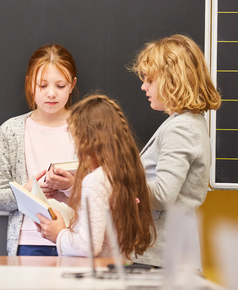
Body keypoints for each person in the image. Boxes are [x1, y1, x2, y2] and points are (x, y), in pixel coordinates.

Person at [129, 34, 221, 268]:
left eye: (150, 80)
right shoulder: (187, 122)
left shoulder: (180, 128)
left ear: (173, 80)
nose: (143, 86)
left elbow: (162, 194)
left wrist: (119, 183)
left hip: (163, 258)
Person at [37, 94, 156, 259]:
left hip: (94, 276)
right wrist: (64, 196)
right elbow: (99, 215)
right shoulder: (121, 173)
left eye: (76, 140)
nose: (76, 147)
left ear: (88, 141)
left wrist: (59, 234)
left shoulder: (94, 181)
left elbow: (88, 246)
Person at [0, 44, 79, 256]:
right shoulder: (10, 131)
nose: (51, 94)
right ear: (30, 83)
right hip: (27, 241)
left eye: (60, 85)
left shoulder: (88, 129)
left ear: (72, 85)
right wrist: (27, 190)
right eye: (42, 85)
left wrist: (71, 187)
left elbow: (105, 193)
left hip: (76, 239)